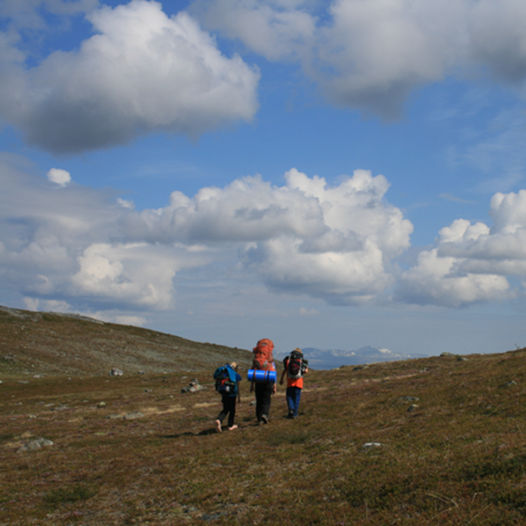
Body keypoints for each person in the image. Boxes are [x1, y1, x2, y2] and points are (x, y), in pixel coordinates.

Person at [250, 338, 276, 424]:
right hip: (268, 379)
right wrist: (274, 385)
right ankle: (265, 414)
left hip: (258, 380)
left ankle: (259, 418)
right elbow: (273, 370)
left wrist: (252, 385)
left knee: (259, 400)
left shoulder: (256, 357)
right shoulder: (269, 357)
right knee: (266, 399)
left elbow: (253, 370)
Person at [280, 348, 308, 419]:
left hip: (290, 383)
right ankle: (295, 414)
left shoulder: (288, 360)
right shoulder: (302, 361)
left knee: (289, 397)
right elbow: (306, 371)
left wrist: (281, 379)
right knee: (296, 398)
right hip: (299, 383)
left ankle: (291, 410)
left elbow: (285, 370)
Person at [215, 362, 242, 432]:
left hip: (223, 393)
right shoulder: (233, 372)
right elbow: (239, 378)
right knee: (232, 410)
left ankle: (219, 419)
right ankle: (230, 425)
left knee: (225, 409)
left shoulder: (223, 370)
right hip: (232, 394)